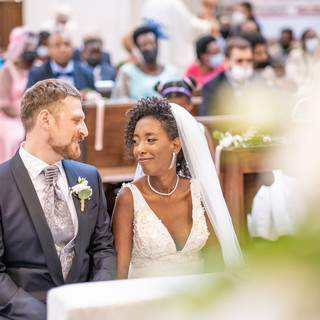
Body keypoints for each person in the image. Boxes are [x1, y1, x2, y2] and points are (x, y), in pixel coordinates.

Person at [0, 79, 117, 320]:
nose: (84, 130)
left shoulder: (89, 177)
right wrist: (46, 315)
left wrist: (95, 302)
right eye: (76, 120)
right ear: (46, 120)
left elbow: (102, 248)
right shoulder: (2, 183)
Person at [112, 97, 242, 279]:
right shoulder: (128, 197)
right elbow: (119, 275)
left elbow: (216, 263)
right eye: (135, 141)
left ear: (175, 145)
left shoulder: (198, 194)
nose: (139, 149)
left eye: (150, 139)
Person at [0, 26, 38, 164]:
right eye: (27, 47)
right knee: (16, 135)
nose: (31, 51)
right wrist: (22, 118)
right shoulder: (8, 69)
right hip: (11, 117)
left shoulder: (38, 67)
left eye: (33, 47)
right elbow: (3, 104)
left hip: (34, 115)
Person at [154, 77, 215, 158]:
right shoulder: (155, 131)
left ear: (190, 105)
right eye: (170, 109)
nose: (176, 114)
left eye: (181, 109)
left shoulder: (201, 130)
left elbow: (211, 161)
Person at [112, 26, 179, 99]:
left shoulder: (171, 72)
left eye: (151, 43)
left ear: (157, 45)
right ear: (138, 48)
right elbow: (120, 102)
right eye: (144, 45)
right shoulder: (127, 72)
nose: (149, 48)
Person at [200, 36, 256, 115]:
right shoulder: (212, 87)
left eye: (249, 60)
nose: (245, 65)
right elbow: (207, 119)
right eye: (239, 61)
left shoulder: (261, 83)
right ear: (226, 62)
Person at [27, 31, 95, 91]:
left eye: (67, 44)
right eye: (57, 45)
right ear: (49, 49)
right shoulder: (36, 74)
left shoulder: (87, 72)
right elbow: (29, 102)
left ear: (73, 48)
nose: (63, 49)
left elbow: (96, 98)